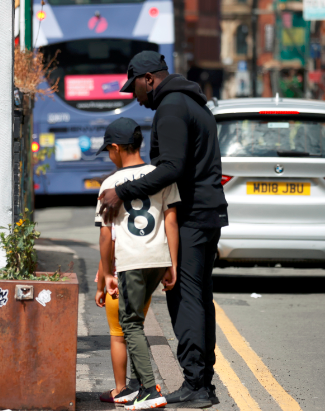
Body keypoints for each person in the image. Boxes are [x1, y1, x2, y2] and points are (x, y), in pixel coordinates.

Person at [99, 51, 228, 408]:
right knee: (199, 300)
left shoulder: (171, 108)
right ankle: (202, 382)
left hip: (192, 217)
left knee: (185, 301)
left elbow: (171, 168)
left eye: (135, 87)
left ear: (149, 79)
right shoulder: (192, 103)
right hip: (208, 214)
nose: (135, 96)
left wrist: (121, 192)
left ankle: (196, 386)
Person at [95, 117, 180, 410]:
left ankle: (148, 388)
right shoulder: (159, 175)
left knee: (128, 324)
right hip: (158, 258)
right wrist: (173, 264)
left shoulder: (110, 184)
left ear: (116, 148)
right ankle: (134, 387)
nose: (109, 155)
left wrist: (107, 274)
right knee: (137, 322)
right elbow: (171, 220)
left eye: (108, 150)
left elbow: (106, 236)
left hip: (132, 261)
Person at [95, 224, 153, 404]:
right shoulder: (145, 217)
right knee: (135, 332)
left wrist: (99, 288)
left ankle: (121, 389)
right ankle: (139, 386)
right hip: (144, 284)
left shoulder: (116, 219)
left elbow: (108, 252)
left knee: (118, 336)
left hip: (119, 285)